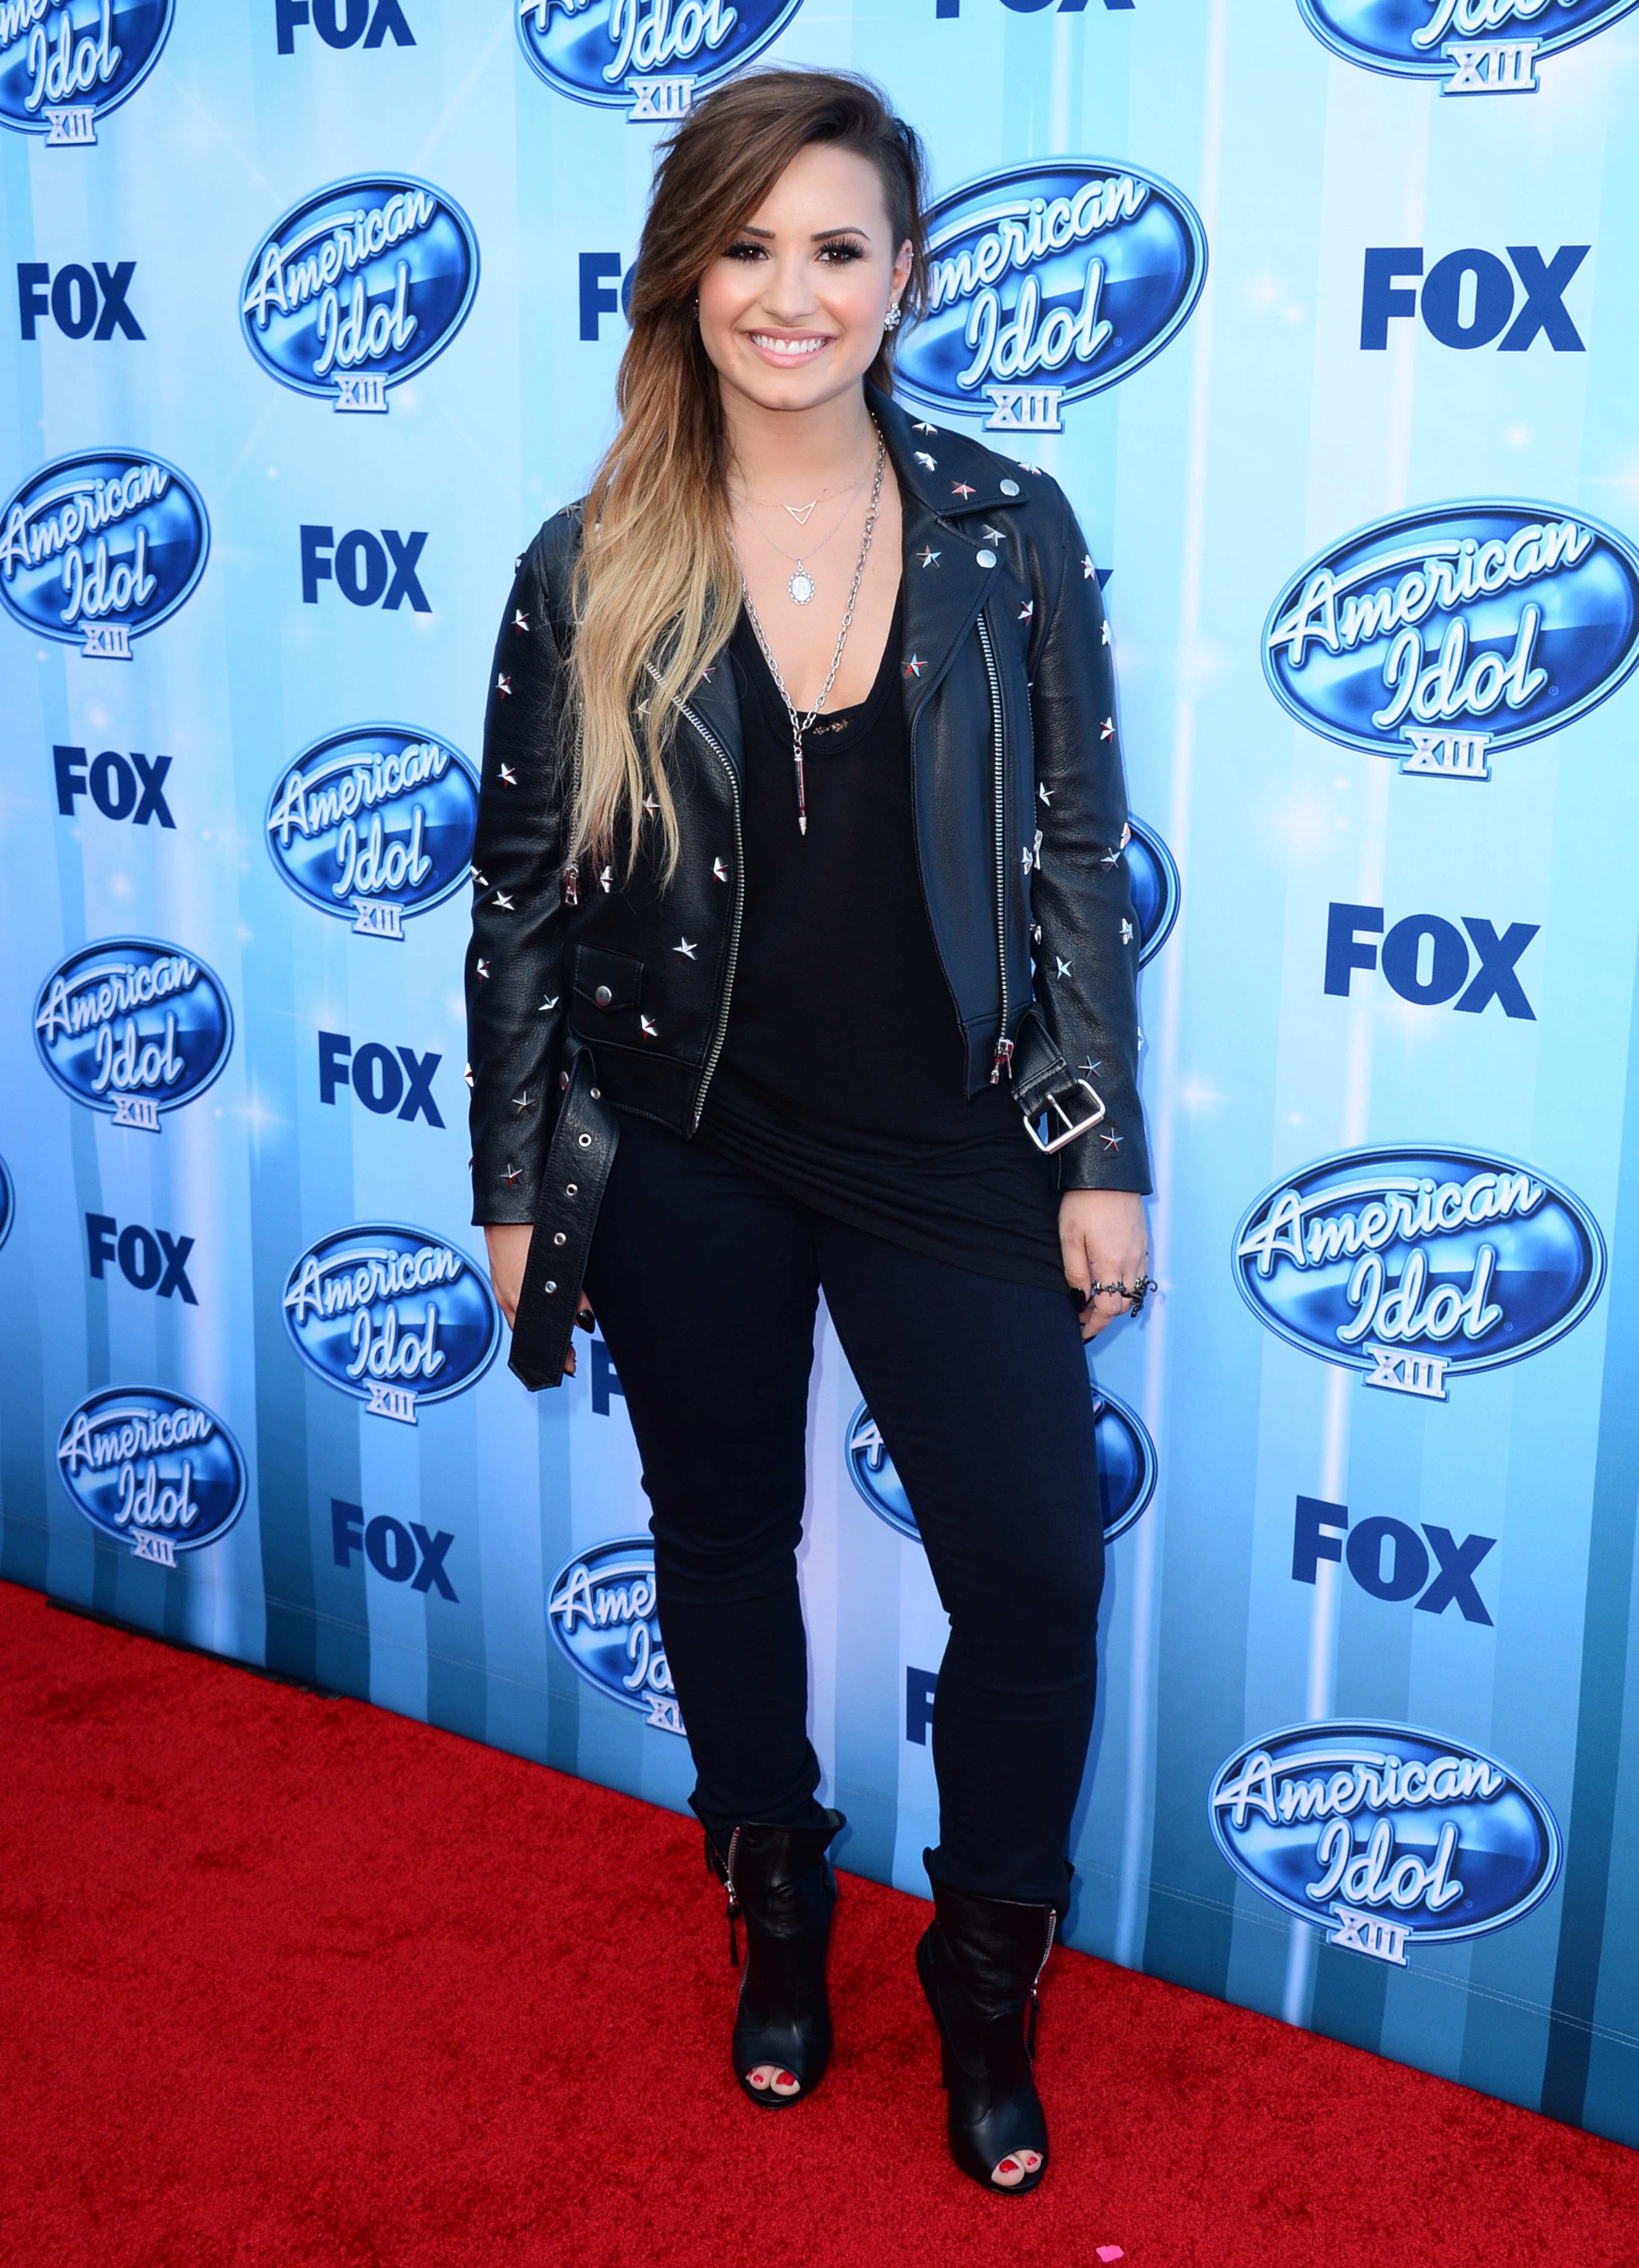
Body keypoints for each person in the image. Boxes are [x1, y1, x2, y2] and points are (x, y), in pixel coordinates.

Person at [466, 68, 1152, 2198]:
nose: (793, 292)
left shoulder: (1002, 526)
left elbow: (1070, 850)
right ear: (687, 278)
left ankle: (987, 1971)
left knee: (1034, 1579)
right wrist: (515, 1180)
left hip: (953, 1141)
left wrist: (1102, 1145)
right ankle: (774, 1895)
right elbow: (519, 890)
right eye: (749, 248)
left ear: (905, 276)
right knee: (721, 1538)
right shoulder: (588, 560)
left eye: (837, 248)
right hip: (685, 1135)